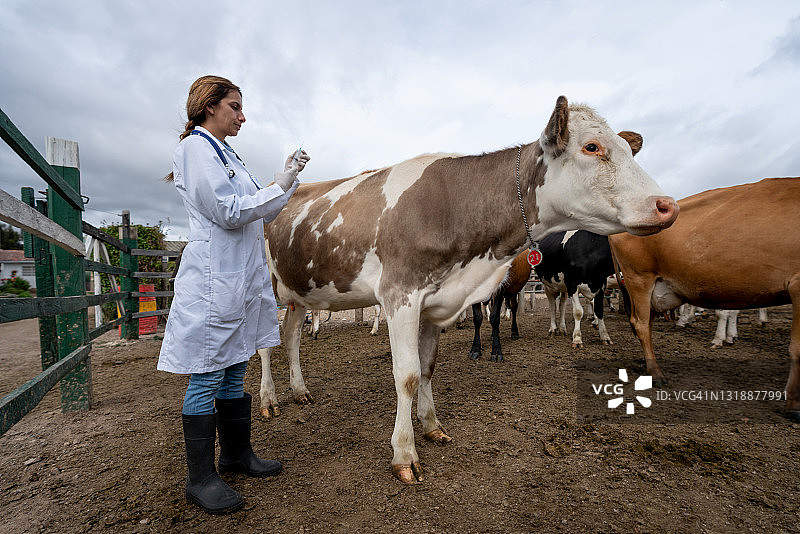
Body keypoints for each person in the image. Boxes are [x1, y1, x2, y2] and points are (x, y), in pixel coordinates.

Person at [158, 75, 309, 515]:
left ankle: (236, 455)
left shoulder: (228, 155)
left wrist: (287, 179)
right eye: (235, 107)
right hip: (214, 278)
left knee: (234, 365)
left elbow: (258, 207)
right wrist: (278, 187)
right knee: (207, 372)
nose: (242, 116)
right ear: (209, 106)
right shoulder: (195, 149)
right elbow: (228, 212)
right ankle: (200, 479)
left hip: (240, 276)